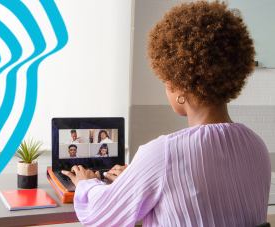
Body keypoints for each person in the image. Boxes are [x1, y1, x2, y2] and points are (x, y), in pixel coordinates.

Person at [62, 1, 271, 226]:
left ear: (179, 85)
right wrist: (135, 181)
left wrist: (86, 183)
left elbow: (100, 215)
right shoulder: (256, 146)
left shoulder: (163, 154)